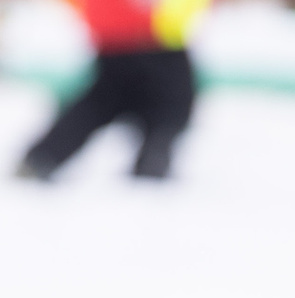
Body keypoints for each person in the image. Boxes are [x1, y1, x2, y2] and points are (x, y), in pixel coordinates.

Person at [14, 0, 209, 183]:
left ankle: (42, 158)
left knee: (100, 104)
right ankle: (152, 161)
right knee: (169, 108)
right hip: (154, 35)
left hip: (127, 32)